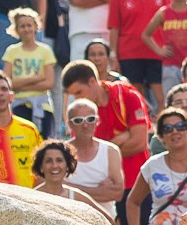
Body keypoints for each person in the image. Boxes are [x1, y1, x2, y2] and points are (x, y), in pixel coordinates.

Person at [61, 57, 150, 193]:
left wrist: (103, 152)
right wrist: (119, 139)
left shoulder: (128, 96)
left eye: (79, 92)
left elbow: (139, 143)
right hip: (103, 187)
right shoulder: (79, 113)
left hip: (136, 185)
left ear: (92, 81)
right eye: (74, 95)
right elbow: (83, 151)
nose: (78, 99)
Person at [108, 0, 171, 108]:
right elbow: (114, 27)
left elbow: (170, 21)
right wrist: (113, 54)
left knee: (160, 95)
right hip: (130, 52)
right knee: (136, 95)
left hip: (157, 51)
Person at [33, 139, 118, 225]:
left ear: (67, 166)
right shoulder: (32, 197)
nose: (54, 166)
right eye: (49, 161)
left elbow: (109, 220)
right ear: (41, 167)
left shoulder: (76, 197)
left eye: (59, 160)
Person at [1, 8, 57, 131]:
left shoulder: (45, 51)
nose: (26, 29)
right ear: (16, 30)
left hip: (42, 106)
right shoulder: (11, 51)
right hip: (19, 104)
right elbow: (7, 83)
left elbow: (49, 83)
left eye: (29, 25)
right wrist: (37, 78)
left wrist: (20, 84)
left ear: (36, 27)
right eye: (22, 26)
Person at [60, 98, 124, 206]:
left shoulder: (110, 151)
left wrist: (68, 188)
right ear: (70, 124)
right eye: (78, 120)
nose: (85, 125)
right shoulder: (60, 151)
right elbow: (51, 188)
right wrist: (99, 191)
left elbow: (117, 194)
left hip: (104, 219)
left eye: (90, 119)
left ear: (97, 121)